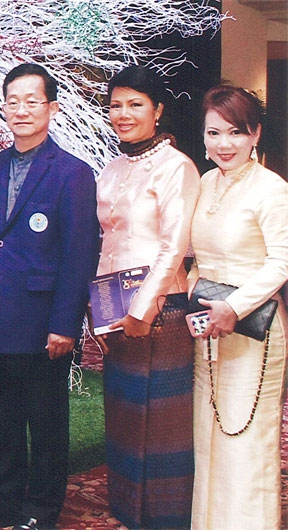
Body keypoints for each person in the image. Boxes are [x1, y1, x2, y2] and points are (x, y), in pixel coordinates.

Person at [0, 64, 100, 530]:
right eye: (12, 101)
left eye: (32, 101)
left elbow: (79, 255)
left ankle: (41, 510)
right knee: (2, 421)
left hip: (43, 322)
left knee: (47, 422)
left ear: (52, 108)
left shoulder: (73, 173)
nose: (21, 110)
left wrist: (65, 324)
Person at [95, 65, 200, 528]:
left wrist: (142, 310)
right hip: (114, 309)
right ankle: (127, 510)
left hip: (160, 310)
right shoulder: (114, 166)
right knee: (124, 413)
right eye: (116, 104)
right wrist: (99, 314)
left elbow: (174, 246)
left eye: (135, 104)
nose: (123, 114)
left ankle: (163, 517)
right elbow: (108, 242)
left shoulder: (177, 167)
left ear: (158, 110)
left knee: (160, 425)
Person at [189, 85, 288, 529]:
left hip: (255, 332)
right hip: (207, 330)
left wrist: (236, 306)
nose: (223, 144)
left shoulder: (272, 190)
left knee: (245, 441)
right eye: (214, 132)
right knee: (208, 439)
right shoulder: (207, 182)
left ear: (255, 135)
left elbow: (282, 261)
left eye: (236, 132)